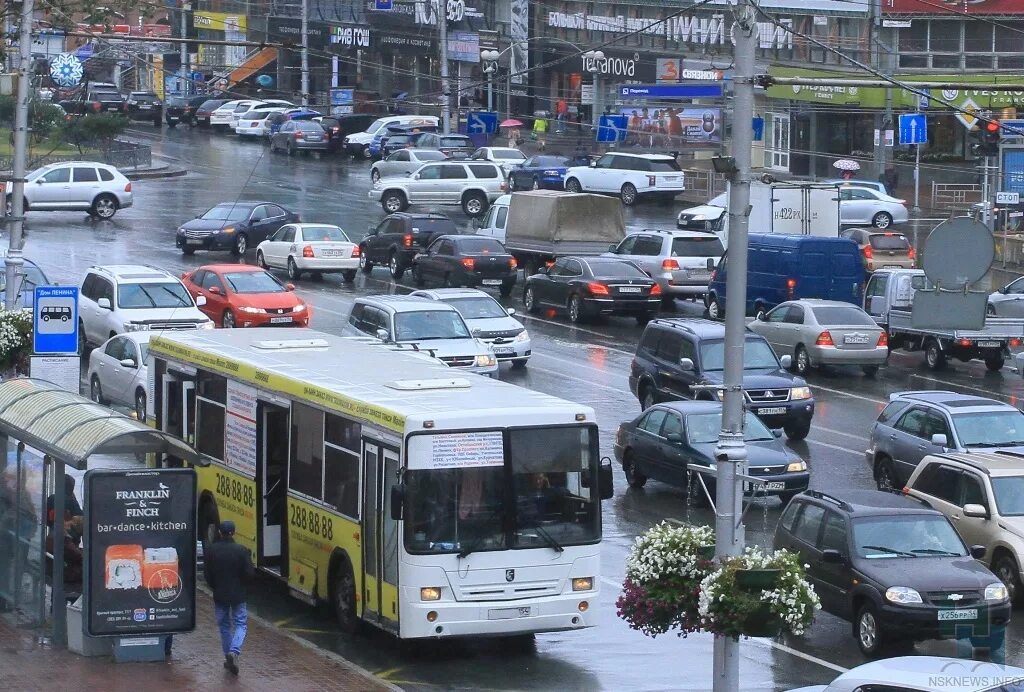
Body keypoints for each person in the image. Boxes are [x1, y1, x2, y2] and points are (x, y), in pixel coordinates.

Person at [204, 520, 254, 676]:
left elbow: (207, 576)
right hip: (238, 594)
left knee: (224, 626)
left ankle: (228, 657)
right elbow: (249, 574)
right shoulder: (241, 550)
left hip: (220, 595)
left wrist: (215, 587)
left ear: (219, 532)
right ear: (234, 532)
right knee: (241, 624)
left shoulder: (212, 551)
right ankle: (234, 650)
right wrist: (242, 585)